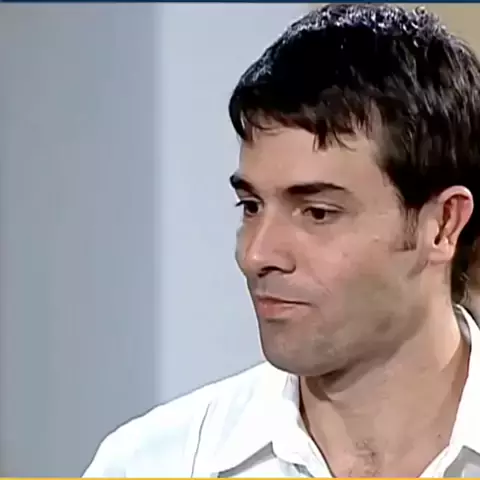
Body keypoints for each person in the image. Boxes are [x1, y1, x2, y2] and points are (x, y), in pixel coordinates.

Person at [83, 3, 480, 477]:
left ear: (443, 225)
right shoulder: (150, 465)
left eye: (318, 213)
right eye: (251, 206)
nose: (255, 255)